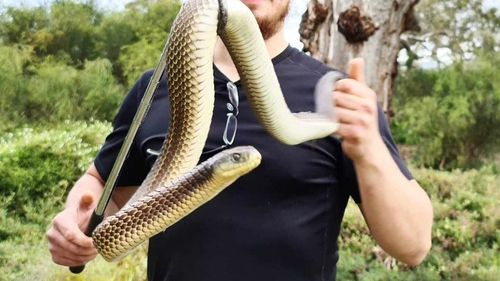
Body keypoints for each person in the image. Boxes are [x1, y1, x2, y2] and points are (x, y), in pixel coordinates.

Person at [46, 0, 433, 280]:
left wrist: (369, 152)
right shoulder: (154, 88)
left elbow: (413, 245)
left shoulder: (335, 97)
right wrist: (74, 223)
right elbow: (105, 187)